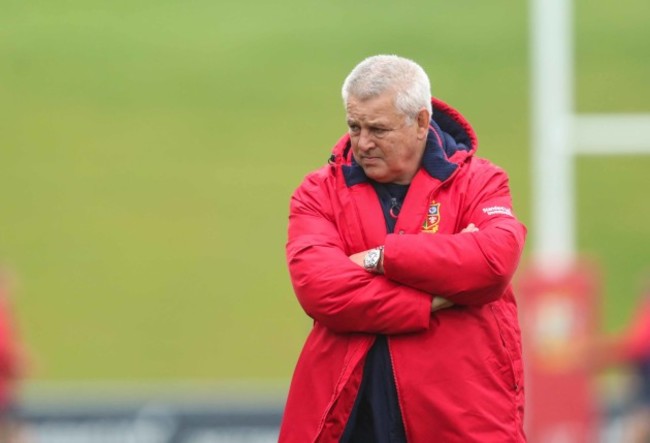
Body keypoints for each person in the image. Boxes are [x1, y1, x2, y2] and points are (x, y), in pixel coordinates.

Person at [280, 55, 527, 442]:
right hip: (345, 414)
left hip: (460, 415)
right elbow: (322, 290)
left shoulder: (482, 181)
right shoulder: (317, 191)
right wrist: (430, 299)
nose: (362, 143)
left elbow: (494, 263)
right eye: (354, 126)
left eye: (378, 129)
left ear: (421, 122)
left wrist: (384, 258)